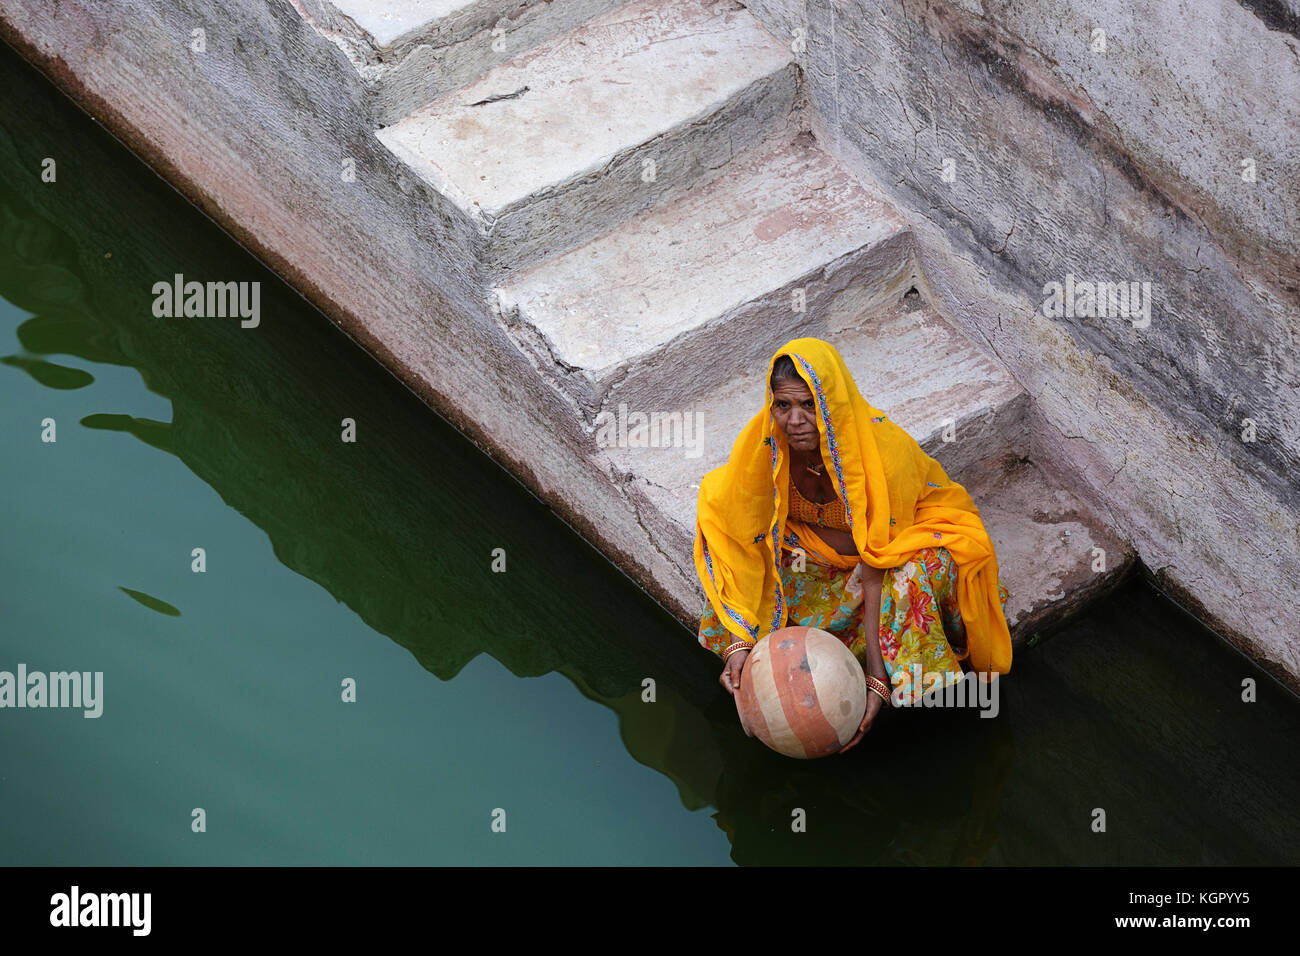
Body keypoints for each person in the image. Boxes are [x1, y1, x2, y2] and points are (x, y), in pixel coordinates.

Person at [694, 337, 1012, 752]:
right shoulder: (769, 446)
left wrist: (877, 677)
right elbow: (733, 517)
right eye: (783, 405)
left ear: (832, 404)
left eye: (809, 405)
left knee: (913, 581)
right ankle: (762, 654)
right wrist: (739, 639)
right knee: (745, 551)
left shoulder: (882, 452)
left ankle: (890, 668)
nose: (795, 420)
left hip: (893, 553)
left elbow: (876, 560)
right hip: (827, 556)